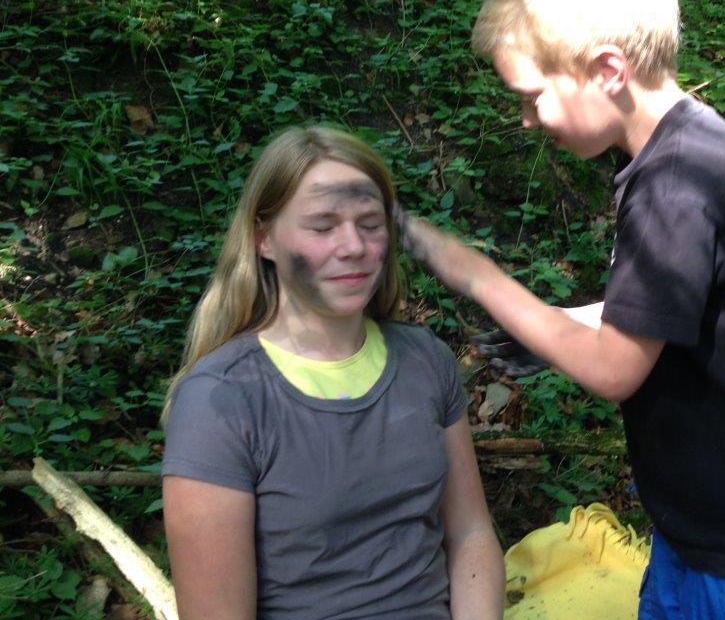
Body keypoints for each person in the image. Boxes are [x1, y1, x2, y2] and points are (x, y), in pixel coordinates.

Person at [398, 0, 725, 620]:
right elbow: (665, 312)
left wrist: (478, 275)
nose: (526, 120)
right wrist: (560, 326)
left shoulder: (676, 183)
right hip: (707, 535)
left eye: (532, 96)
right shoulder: (683, 151)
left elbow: (616, 370)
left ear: (608, 71)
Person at [161, 125, 504, 620]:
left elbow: (470, 533)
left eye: (370, 223)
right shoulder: (220, 401)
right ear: (263, 239)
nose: (353, 246)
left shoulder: (426, 360)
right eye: (322, 227)